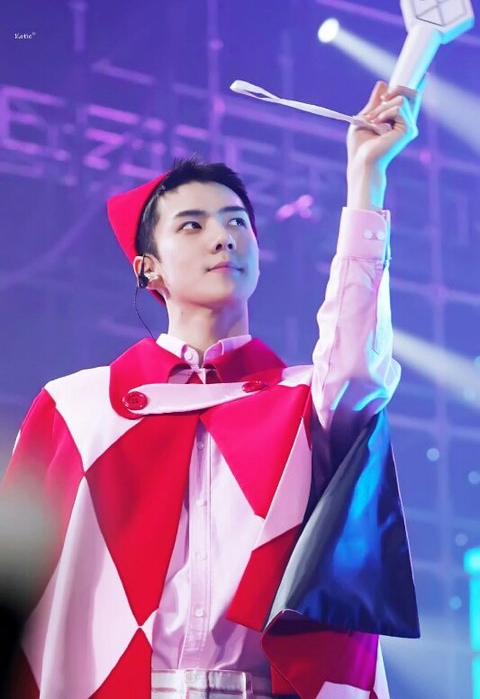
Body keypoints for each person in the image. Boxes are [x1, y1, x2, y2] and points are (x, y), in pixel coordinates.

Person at [3, 80, 422, 699]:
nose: (222, 237)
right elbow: (18, 583)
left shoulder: (305, 401)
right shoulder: (77, 407)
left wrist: (366, 179)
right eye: (192, 225)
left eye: (237, 222)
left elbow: (356, 358)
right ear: (147, 267)